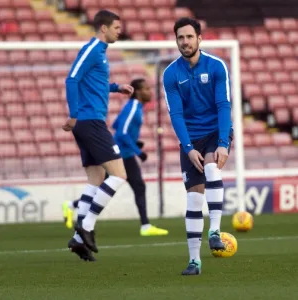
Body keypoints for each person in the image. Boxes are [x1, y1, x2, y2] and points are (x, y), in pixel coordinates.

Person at [163, 18, 233, 275]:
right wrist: (188, 147)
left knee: (213, 168)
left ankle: (215, 230)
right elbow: (176, 116)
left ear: (199, 38)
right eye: (180, 38)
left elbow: (223, 105)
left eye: (189, 37)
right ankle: (195, 261)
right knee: (193, 198)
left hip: (216, 131)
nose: (185, 42)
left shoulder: (216, 66)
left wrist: (224, 143)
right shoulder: (170, 73)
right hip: (191, 139)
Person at [63, 10, 134, 262]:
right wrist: (73, 114)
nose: (119, 31)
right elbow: (71, 79)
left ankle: (79, 240)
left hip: (88, 122)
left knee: (96, 178)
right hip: (90, 121)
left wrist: (117, 88)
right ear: (103, 28)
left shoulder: (100, 53)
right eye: (116, 27)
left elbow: (94, 83)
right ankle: (88, 225)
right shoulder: (93, 48)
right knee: (119, 175)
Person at [63, 78, 168, 237]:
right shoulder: (134, 107)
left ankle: (72, 206)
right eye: (146, 88)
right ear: (138, 92)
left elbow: (117, 124)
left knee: (102, 186)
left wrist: (134, 143)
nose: (150, 91)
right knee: (135, 186)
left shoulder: (135, 107)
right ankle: (145, 226)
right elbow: (122, 133)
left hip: (122, 151)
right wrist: (138, 151)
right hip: (123, 154)